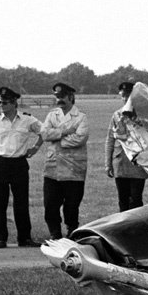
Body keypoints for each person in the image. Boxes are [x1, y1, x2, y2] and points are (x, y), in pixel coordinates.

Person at [0, 87, 43, 248]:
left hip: (19, 163)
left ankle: (24, 238)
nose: (1, 105)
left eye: (4, 102)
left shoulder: (27, 119)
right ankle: (1, 238)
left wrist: (35, 148)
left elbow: (44, 132)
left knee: (21, 202)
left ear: (14, 103)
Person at [40, 82, 89, 239]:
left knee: (71, 205)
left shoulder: (81, 117)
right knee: (50, 204)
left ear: (71, 97)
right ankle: (55, 234)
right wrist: (66, 131)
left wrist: (58, 139)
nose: (59, 100)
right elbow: (45, 134)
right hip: (53, 167)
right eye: (57, 97)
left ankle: (72, 232)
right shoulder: (51, 115)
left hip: (74, 167)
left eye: (62, 97)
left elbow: (80, 139)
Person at [105, 81, 147, 210]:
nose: (125, 99)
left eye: (127, 96)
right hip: (121, 163)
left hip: (137, 163)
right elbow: (110, 139)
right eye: (122, 96)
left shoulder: (143, 115)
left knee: (136, 199)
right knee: (122, 200)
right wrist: (108, 163)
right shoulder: (117, 115)